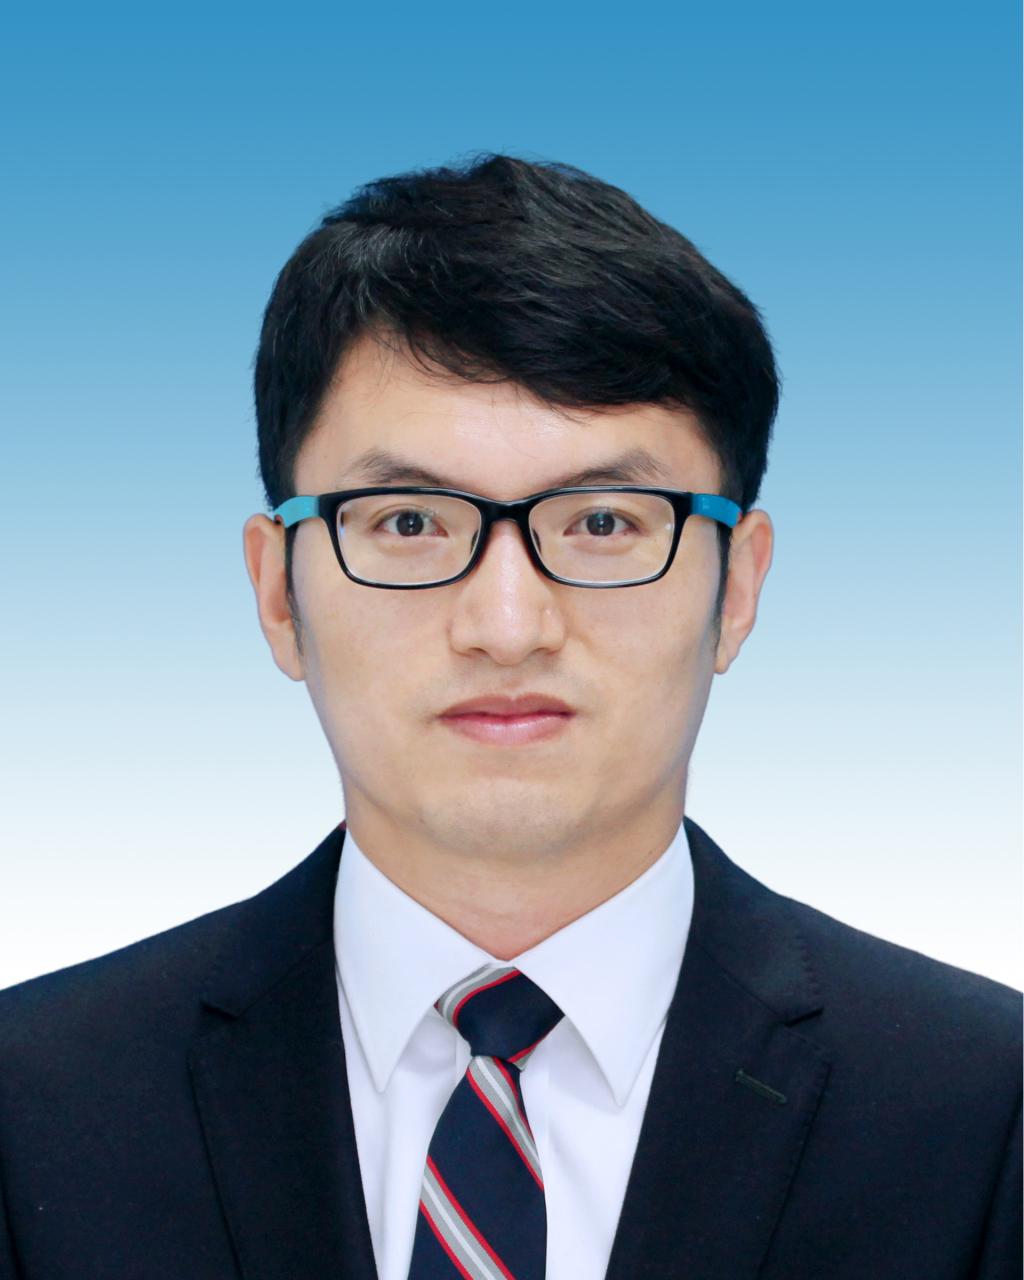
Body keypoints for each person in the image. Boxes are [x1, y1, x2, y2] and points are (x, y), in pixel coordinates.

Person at [0, 154, 1019, 1280]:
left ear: (736, 588)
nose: (506, 625)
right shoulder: (32, 1101)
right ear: (278, 593)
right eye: (407, 522)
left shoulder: (985, 1109)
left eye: (602, 522)